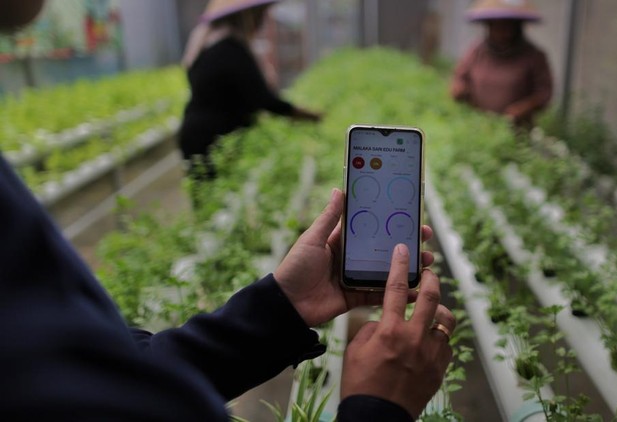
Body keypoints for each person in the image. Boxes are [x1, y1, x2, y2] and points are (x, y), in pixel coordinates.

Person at [0, 1, 455, 420]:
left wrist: (284, 306)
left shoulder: (208, 47)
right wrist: (378, 408)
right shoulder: (234, 51)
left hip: (200, 138)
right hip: (215, 139)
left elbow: (112, 369)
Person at [179, 0, 321, 182]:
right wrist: (309, 115)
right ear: (245, 16)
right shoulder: (229, 50)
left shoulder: (210, 44)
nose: (261, 21)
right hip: (211, 141)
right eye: (259, 14)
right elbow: (264, 100)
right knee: (217, 198)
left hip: (200, 136)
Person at [451, 0, 552, 128]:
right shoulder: (476, 52)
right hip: (477, 125)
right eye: (497, 26)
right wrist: (460, 89)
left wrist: (524, 108)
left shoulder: (534, 56)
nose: (503, 32)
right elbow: (460, 77)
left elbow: (544, 93)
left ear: (518, 27)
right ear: (489, 26)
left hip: (517, 132)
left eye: (508, 26)